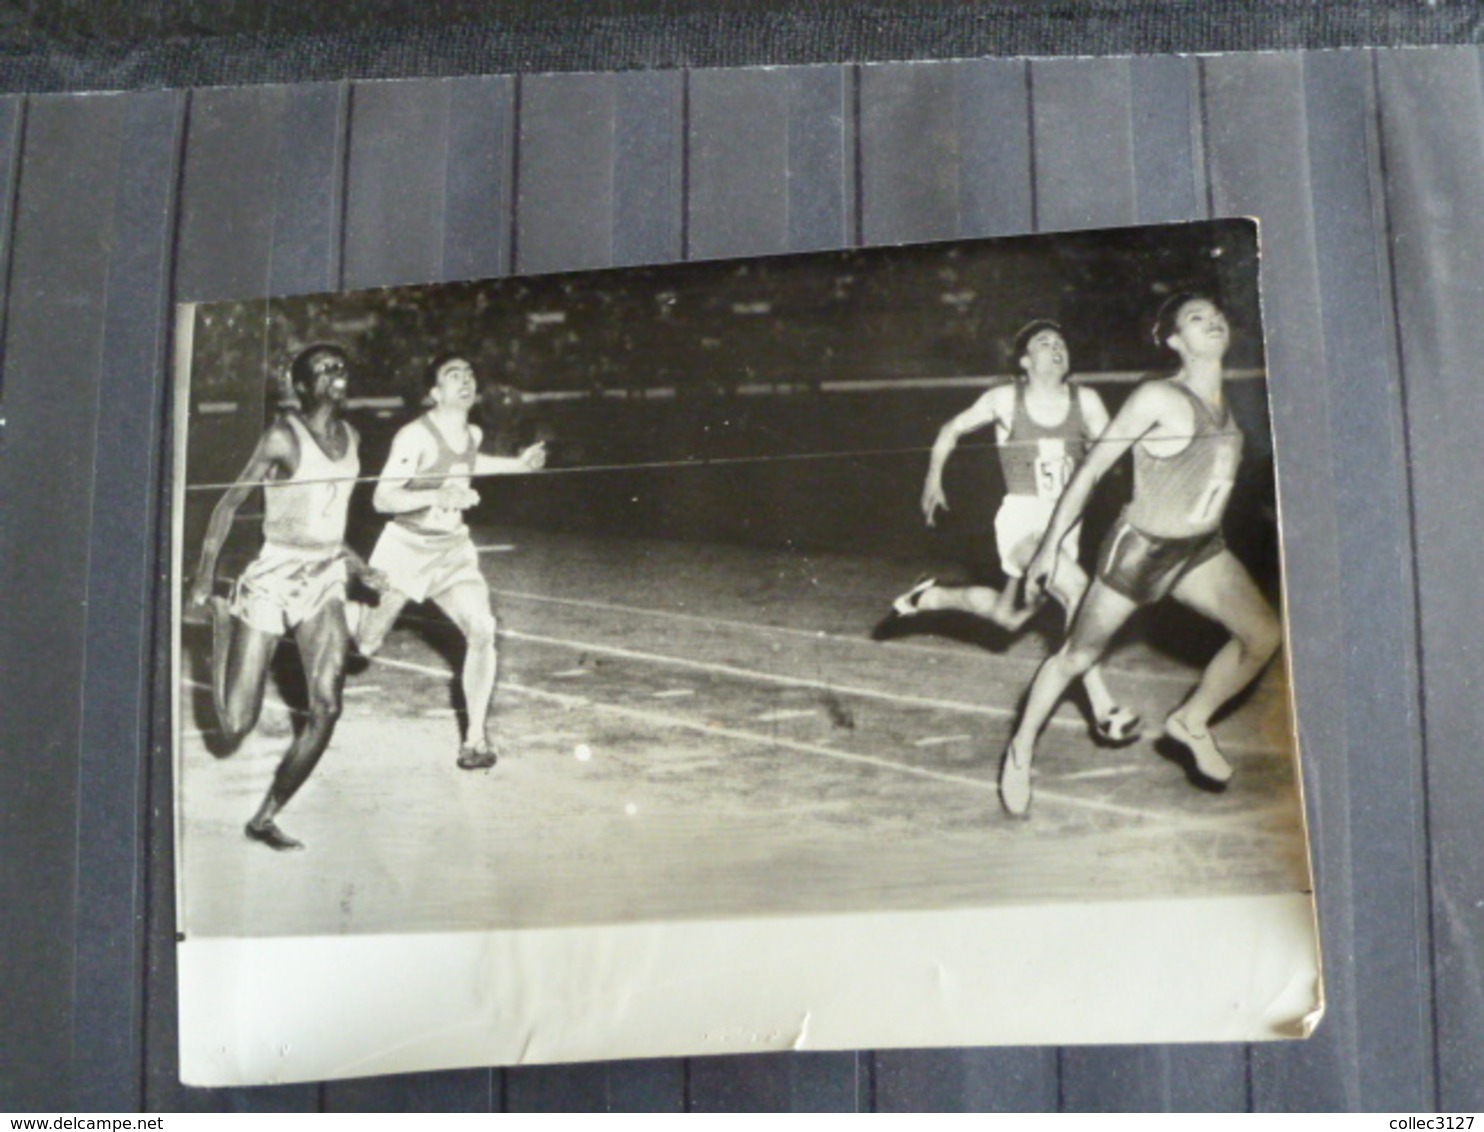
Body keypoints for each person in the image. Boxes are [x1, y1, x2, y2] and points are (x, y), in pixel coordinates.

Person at [999, 293, 1283, 817]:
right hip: (1141, 552)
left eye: (1217, 316)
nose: (1213, 322)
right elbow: (1090, 471)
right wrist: (1047, 549)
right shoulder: (1158, 398)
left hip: (1200, 549)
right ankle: (1019, 751)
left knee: (1263, 635)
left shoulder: (1228, 399)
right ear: (1176, 341)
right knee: (1077, 657)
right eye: (1197, 319)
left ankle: (1190, 721)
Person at [889, 318, 1140, 744]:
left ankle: (929, 596)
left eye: (1062, 342)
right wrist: (934, 477)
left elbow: (1115, 456)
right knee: (1078, 590)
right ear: (1026, 361)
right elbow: (951, 429)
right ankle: (1103, 708)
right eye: (1045, 343)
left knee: (1008, 619)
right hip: (1022, 521)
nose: (1057, 347)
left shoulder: (1088, 401)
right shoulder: (1006, 399)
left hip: (1066, 528)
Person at [187, 343, 388, 851]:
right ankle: (219, 623)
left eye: (341, 366)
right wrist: (203, 577)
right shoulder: (282, 436)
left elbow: (327, 519)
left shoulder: (354, 437)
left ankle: (266, 818)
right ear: (302, 386)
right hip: (274, 576)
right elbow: (228, 504)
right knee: (235, 724)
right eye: (323, 370)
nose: (336, 374)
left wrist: (358, 565)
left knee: (328, 707)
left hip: (324, 580)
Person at [354, 352, 546, 769]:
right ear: (434, 392)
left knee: (482, 630)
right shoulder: (414, 437)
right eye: (453, 375)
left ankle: (475, 740)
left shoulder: (472, 434)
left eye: (470, 373)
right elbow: (383, 497)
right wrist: (439, 494)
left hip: (452, 551)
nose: (465, 380)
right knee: (364, 646)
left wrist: (518, 463)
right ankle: (342, 608)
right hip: (404, 549)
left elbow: (472, 462)